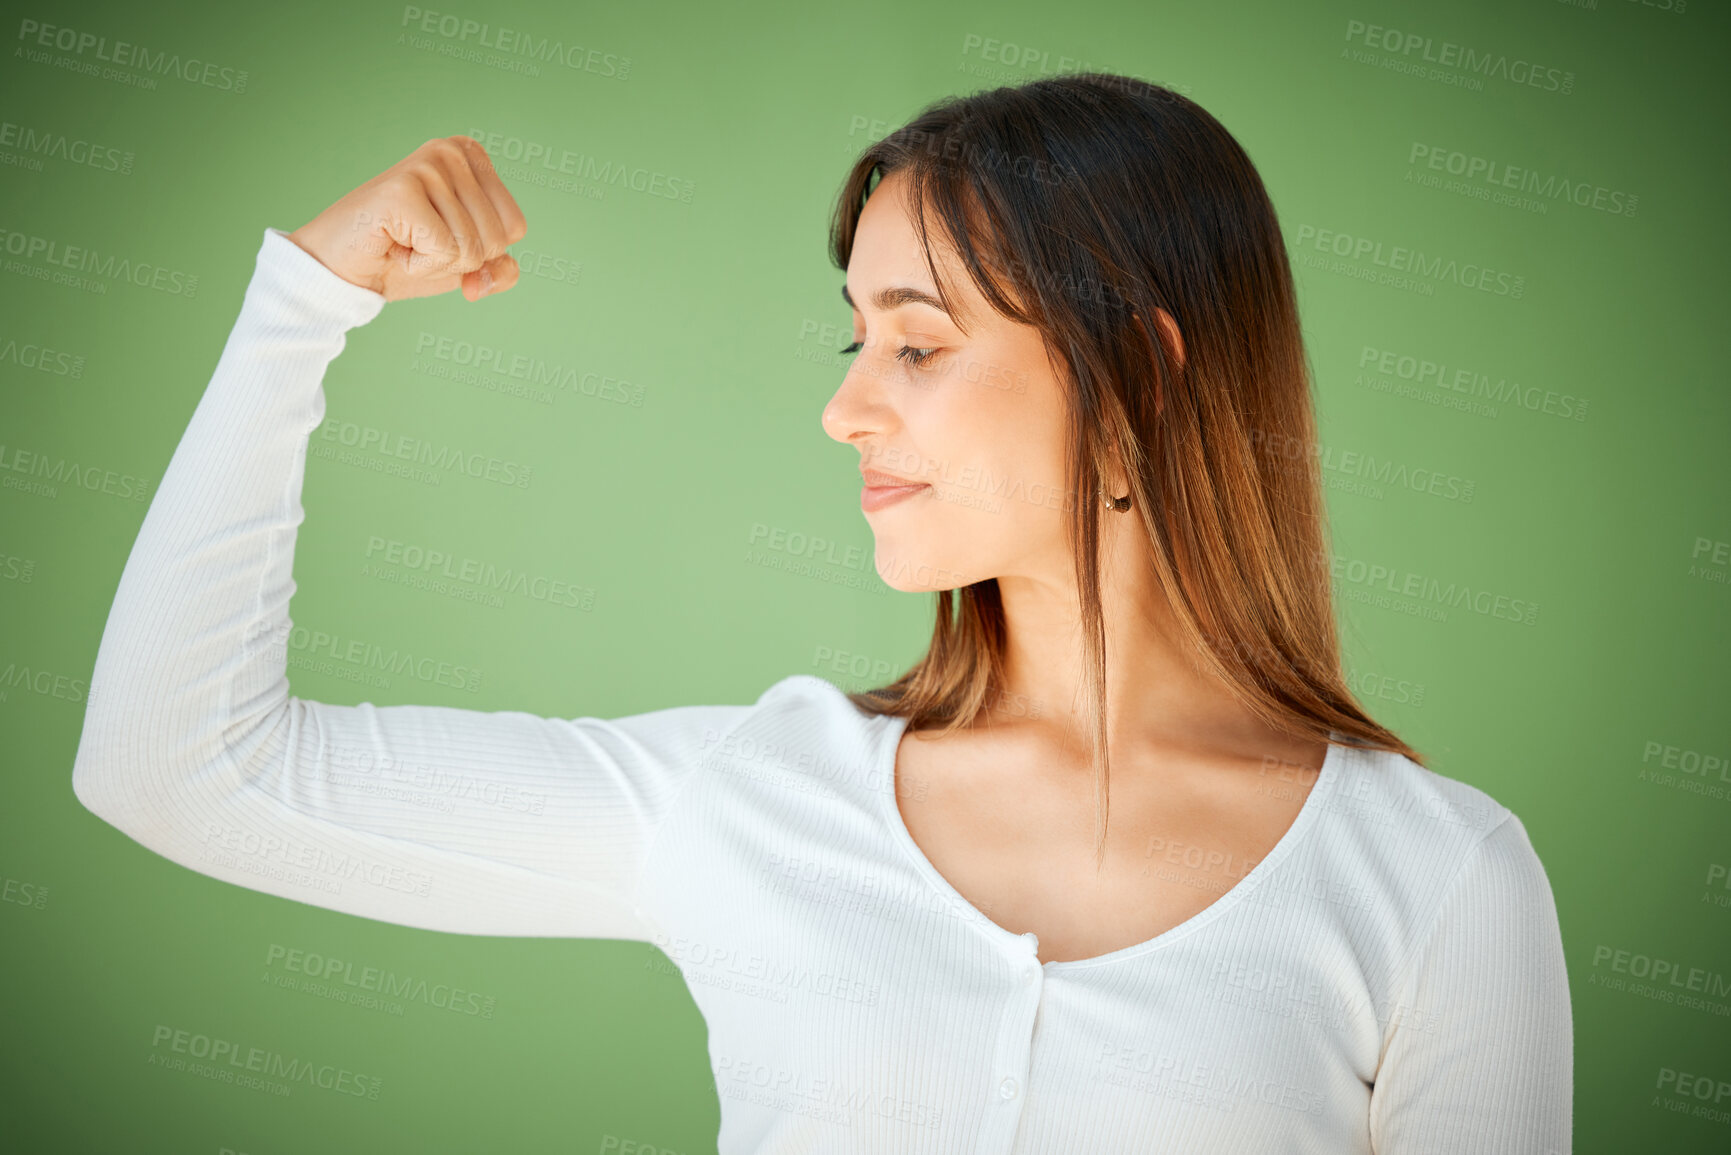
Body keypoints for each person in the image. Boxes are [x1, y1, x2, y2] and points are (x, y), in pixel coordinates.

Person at [71, 73, 1571, 1152]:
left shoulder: (1439, 883)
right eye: (855, 339)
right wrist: (300, 310)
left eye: (916, 347)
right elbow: (182, 770)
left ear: (1145, 375)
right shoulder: (757, 797)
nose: (845, 408)